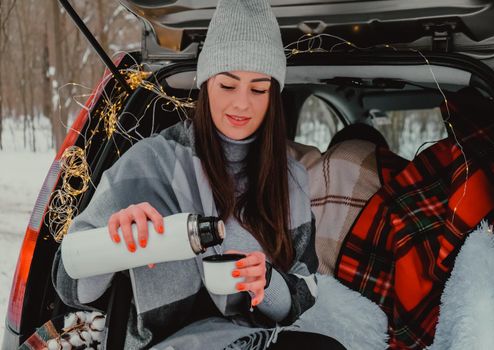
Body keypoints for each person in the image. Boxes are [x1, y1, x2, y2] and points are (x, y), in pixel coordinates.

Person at [52, 0, 346, 349]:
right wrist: (114, 242)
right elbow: (68, 286)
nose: (241, 104)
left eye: (258, 89)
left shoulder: (289, 179)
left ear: (273, 95)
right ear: (206, 84)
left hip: (250, 339)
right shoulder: (146, 165)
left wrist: (267, 284)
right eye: (227, 85)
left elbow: (305, 291)